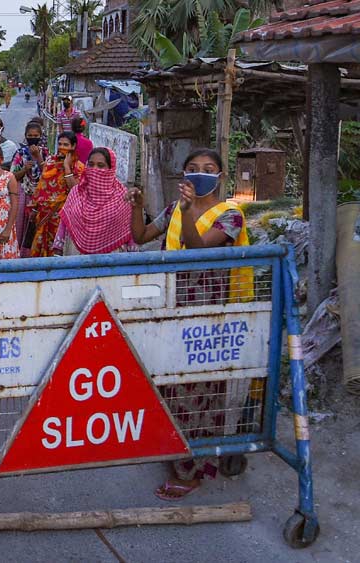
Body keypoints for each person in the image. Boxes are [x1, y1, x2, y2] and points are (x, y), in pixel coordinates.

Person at [127, 148, 254, 501]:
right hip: (170, 306)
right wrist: (137, 204)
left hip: (207, 315)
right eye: (193, 168)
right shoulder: (172, 209)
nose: (200, 174)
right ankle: (173, 450)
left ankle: (193, 468)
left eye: (208, 169)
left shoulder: (230, 216)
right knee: (168, 384)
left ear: (221, 176)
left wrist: (184, 214)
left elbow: (198, 253)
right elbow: (140, 236)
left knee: (198, 389)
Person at [54, 148, 136, 255]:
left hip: (112, 261)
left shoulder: (123, 197)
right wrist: (57, 249)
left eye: (101, 166)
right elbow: (64, 222)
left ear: (111, 169)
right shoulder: (76, 192)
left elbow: (129, 230)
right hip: (75, 257)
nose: (94, 169)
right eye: (91, 164)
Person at [27, 131, 85, 257]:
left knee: (57, 251)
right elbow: (43, 183)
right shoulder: (50, 161)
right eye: (60, 144)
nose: (62, 147)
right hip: (43, 214)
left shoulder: (78, 167)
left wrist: (66, 167)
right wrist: (35, 209)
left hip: (61, 216)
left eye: (66, 144)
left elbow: (75, 189)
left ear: (73, 146)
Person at [12, 121, 49, 257]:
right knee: (22, 225)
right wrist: (24, 169)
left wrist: (39, 157)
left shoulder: (45, 152)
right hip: (24, 194)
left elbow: (49, 175)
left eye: (35, 135)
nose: (33, 137)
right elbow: (13, 175)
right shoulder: (20, 153)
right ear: (26, 136)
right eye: (30, 135)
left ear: (40, 136)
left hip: (41, 195)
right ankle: (22, 254)